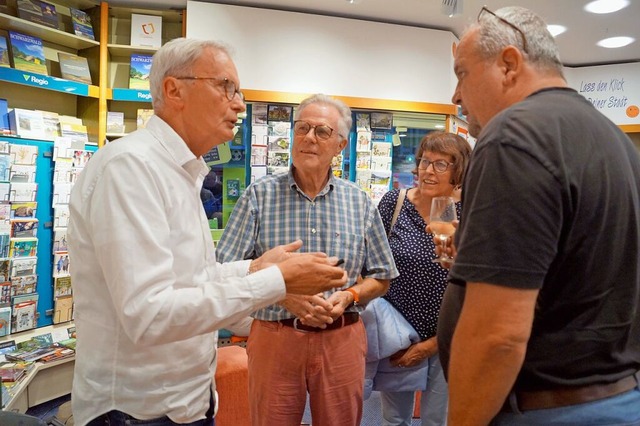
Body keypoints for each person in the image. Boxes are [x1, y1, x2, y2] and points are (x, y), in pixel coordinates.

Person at [68, 39, 348, 426]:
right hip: (137, 412)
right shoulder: (130, 168)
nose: (238, 104)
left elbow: (191, 281)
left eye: (239, 92)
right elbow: (148, 315)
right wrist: (275, 282)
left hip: (184, 402)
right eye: (225, 87)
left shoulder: (181, 172)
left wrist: (253, 270)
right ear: (173, 90)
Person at [437, 6, 640, 425]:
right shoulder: (616, 142)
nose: (456, 96)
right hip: (615, 400)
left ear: (509, 64)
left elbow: (498, 337)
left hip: (544, 408)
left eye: (462, 73)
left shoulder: (513, 136)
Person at [216, 94, 398, 426]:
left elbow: (382, 275)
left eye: (322, 131)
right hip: (276, 338)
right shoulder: (258, 196)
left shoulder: (359, 202)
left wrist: (348, 296)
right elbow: (224, 271)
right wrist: (284, 295)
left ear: (340, 145)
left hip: (341, 338)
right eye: (302, 128)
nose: (309, 138)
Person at [375, 131, 470, 426]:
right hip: (398, 333)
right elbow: (374, 262)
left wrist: (434, 344)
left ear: (459, 171)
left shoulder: (468, 212)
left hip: (448, 335)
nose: (428, 171)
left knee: (437, 420)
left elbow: (474, 285)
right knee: (395, 419)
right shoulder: (394, 203)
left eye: (441, 164)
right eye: (425, 162)